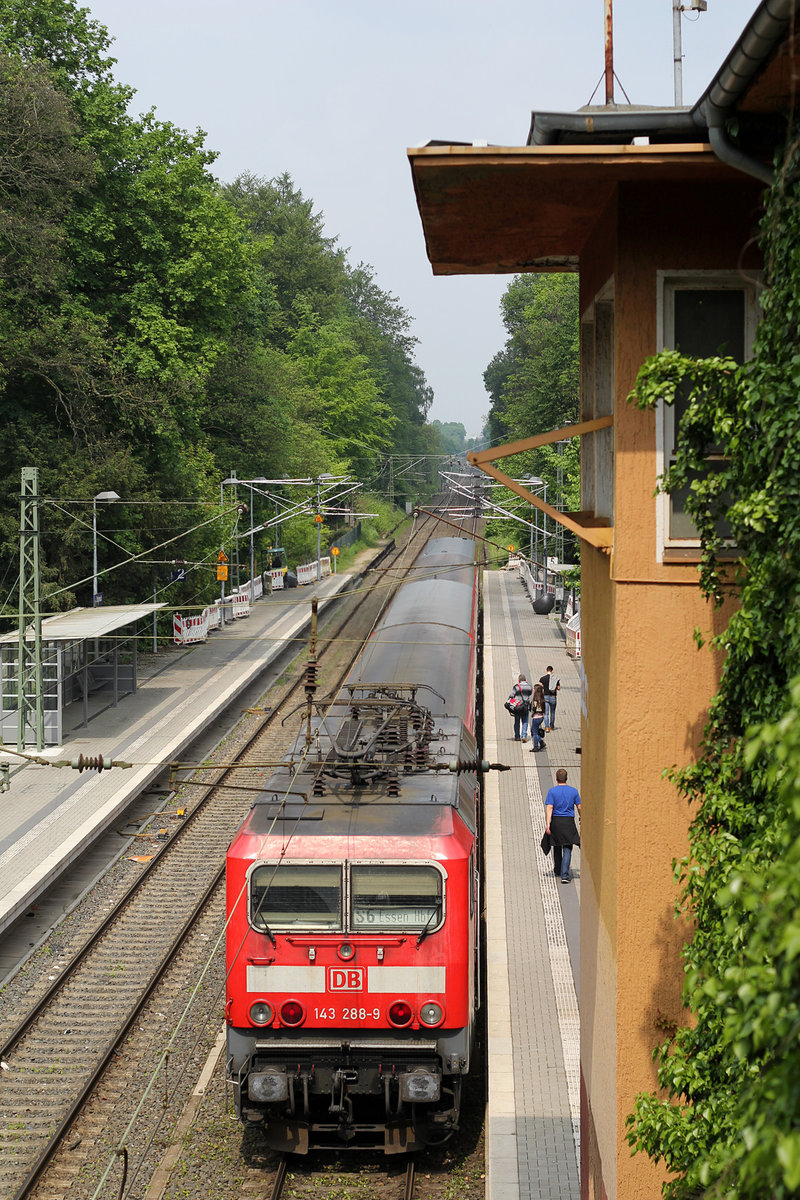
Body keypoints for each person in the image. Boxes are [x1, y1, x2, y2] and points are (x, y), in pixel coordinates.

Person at [545, 767, 581, 883]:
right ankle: (564, 876)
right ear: (566, 778)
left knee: (556, 845)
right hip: (568, 822)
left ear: (556, 779)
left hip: (556, 821)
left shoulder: (552, 791)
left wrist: (548, 825)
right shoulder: (574, 791)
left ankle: (557, 870)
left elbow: (549, 808)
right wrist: (582, 818)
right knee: (567, 848)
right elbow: (579, 807)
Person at [510, 673, 533, 742]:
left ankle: (517, 736)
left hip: (518, 707)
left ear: (519, 680)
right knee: (525, 721)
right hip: (525, 707)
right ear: (525, 680)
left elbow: (511, 696)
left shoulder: (516, 687)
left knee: (517, 722)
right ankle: (524, 736)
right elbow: (530, 693)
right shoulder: (529, 687)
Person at [539, 665, 561, 730]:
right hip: (553, 697)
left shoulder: (542, 679)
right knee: (552, 712)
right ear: (552, 671)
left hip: (545, 696)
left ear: (546, 670)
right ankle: (552, 726)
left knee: (546, 712)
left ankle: (546, 727)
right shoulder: (555, 679)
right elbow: (558, 688)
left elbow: (540, 687)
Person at [529, 682, 546, 751]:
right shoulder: (542, 699)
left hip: (536, 717)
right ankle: (541, 742)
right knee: (533, 730)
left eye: (534, 689)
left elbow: (533, 709)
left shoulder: (535, 700)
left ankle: (536, 746)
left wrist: (532, 712)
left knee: (534, 732)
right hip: (541, 717)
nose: (533, 690)